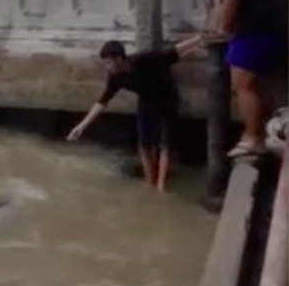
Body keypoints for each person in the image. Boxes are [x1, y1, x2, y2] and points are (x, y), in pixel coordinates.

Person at [66, 35, 201, 192]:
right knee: (143, 143)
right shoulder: (116, 77)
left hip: (166, 97)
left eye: (108, 63)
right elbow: (102, 101)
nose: (106, 67)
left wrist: (199, 39)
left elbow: (174, 51)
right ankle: (150, 181)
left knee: (164, 143)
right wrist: (81, 126)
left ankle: (160, 186)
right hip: (146, 100)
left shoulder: (143, 60)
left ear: (118, 59)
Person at [201, 0, 287, 158]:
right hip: (277, 27)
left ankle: (253, 138)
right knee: (259, 84)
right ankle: (263, 132)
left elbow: (231, 0)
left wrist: (224, 27)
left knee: (242, 86)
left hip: (251, 31)